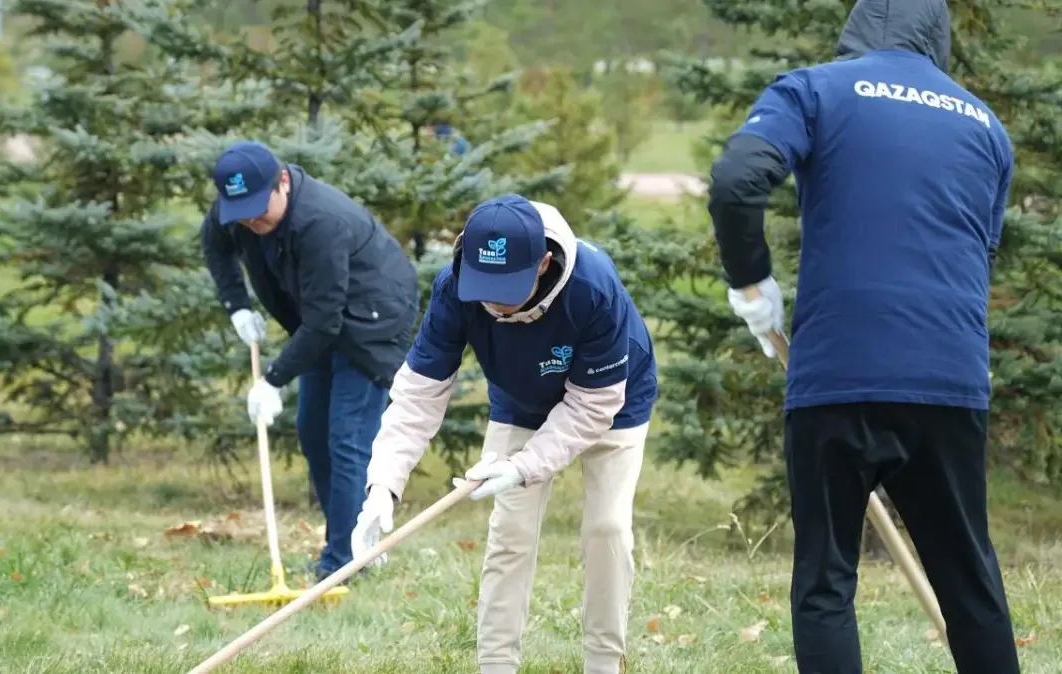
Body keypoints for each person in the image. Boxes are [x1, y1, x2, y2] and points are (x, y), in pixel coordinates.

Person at [705, 1, 1019, 673]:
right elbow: (973, 253)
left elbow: (736, 181)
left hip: (838, 374)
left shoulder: (815, 88)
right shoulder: (986, 125)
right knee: (971, 586)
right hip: (950, 378)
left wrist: (752, 287)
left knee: (825, 584)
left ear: (857, 27)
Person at [350, 194, 658, 674]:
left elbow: (591, 405)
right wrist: (382, 488)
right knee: (509, 533)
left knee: (608, 529)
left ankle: (603, 663)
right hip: (521, 400)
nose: (492, 300)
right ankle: (496, 666)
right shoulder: (454, 289)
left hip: (612, 401)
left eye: (506, 284)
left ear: (543, 263)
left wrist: (524, 466)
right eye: (482, 283)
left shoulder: (593, 288)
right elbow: (418, 394)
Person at [200, 141, 419, 581]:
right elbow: (213, 243)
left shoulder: (321, 222)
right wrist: (236, 305)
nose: (251, 220)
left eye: (259, 208)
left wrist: (273, 380)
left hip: (373, 318)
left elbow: (325, 322)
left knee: (348, 438)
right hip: (320, 320)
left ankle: (345, 562)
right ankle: (350, 545)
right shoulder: (238, 209)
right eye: (240, 212)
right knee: (313, 431)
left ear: (282, 182)